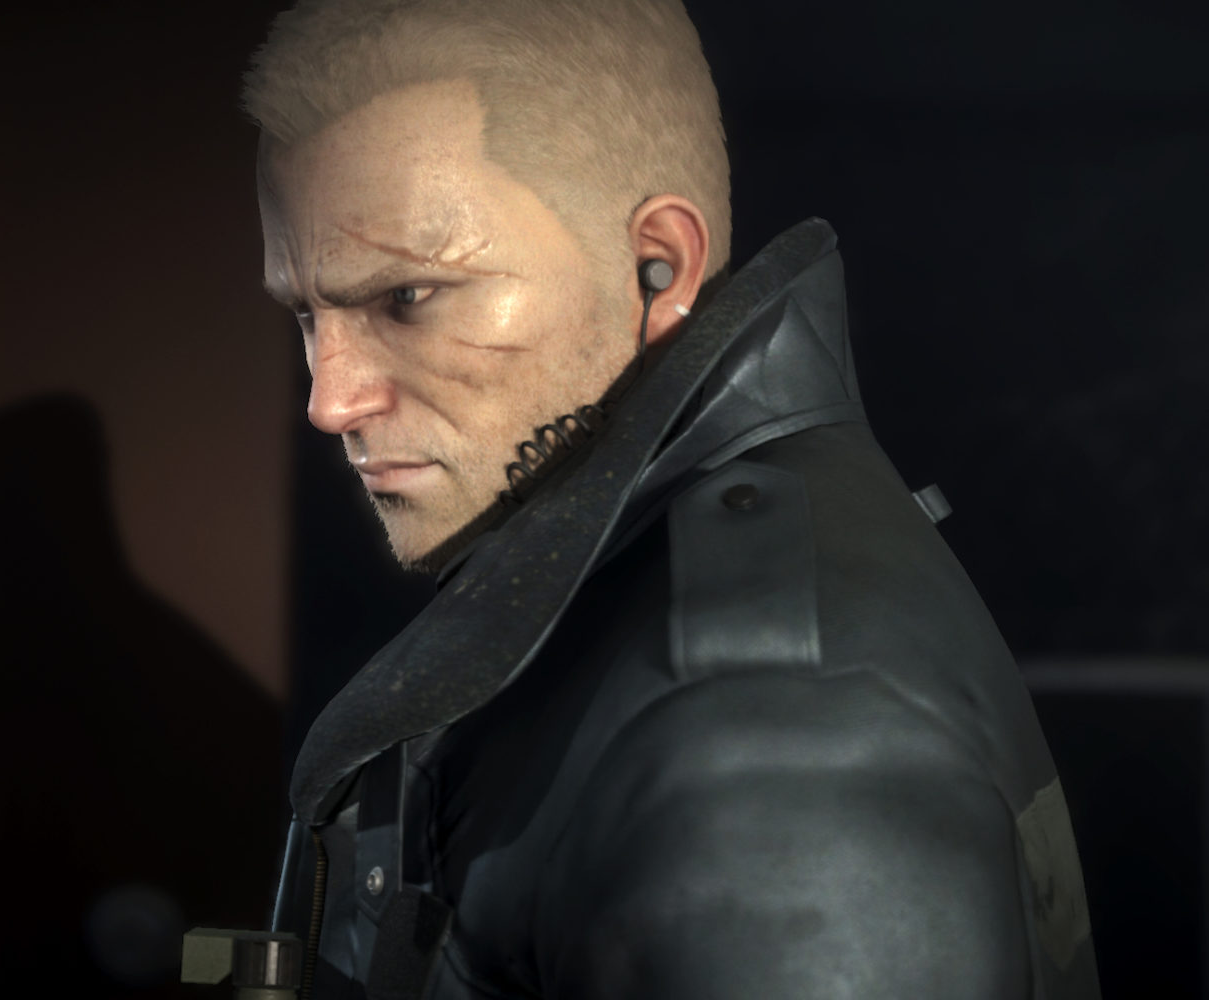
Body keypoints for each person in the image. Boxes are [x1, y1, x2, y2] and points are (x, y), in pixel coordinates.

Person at [241, 1, 1101, 996]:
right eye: (308, 313)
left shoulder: (772, 733)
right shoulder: (663, 607)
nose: (332, 398)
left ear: (661, 266)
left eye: (408, 298)